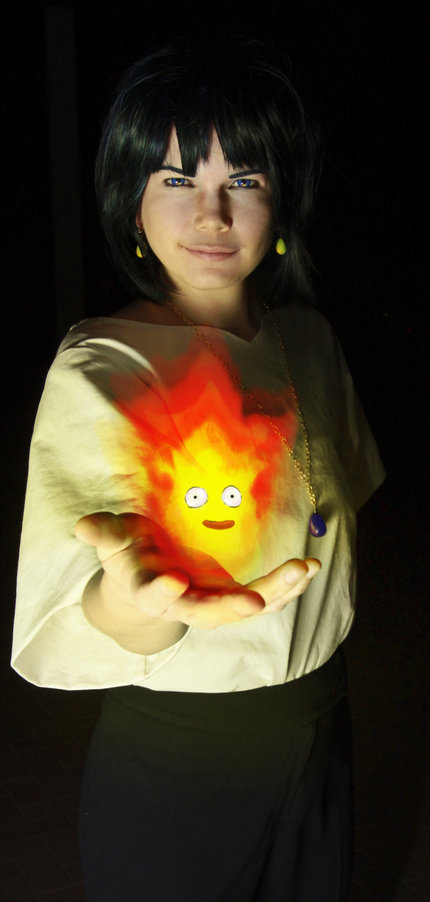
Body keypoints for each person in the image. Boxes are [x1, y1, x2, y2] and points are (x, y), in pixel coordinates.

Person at [12, 38, 385, 902]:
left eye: (243, 180)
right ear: (131, 201)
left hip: (321, 729)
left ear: (281, 198)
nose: (212, 215)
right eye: (177, 179)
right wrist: (137, 603)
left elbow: (337, 512)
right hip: (181, 756)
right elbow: (100, 604)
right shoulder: (106, 364)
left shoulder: (311, 341)